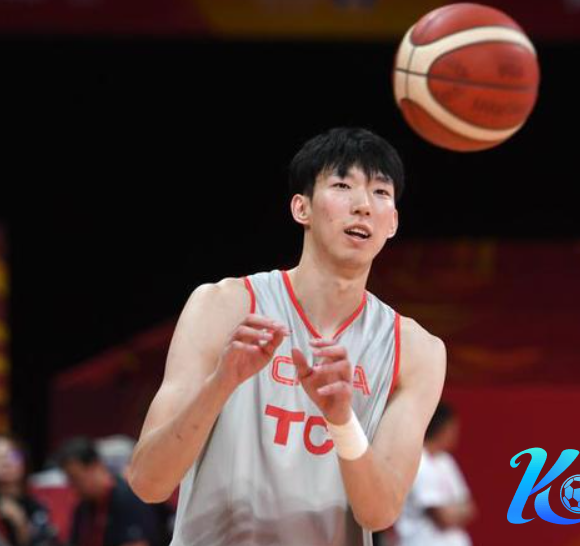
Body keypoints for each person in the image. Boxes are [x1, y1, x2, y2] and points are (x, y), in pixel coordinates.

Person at [126, 127, 447, 546]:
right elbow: (148, 482)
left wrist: (341, 419)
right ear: (302, 208)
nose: (363, 205)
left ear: (393, 223)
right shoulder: (224, 305)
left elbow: (380, 512)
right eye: (342, 185)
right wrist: (222, 383)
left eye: (380, 192)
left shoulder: (417, 350)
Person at [395, 402, 475, 546]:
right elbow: (443, 518)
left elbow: (470, 508)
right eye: (453, 428)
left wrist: (454, 511)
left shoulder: (446, 461)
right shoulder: (418, 461)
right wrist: (457, 510)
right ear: (443, 429)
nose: (456, 433)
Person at [56, 437, 162, 546]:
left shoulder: (128, 498)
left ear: (95, 466)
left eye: (75, 478)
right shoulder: (82, 508)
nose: (73, 485)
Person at [0, 434, 58, 546]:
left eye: (13, 456)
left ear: (24, 462)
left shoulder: (37, 507)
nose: (6, 463)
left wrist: (20, 524)